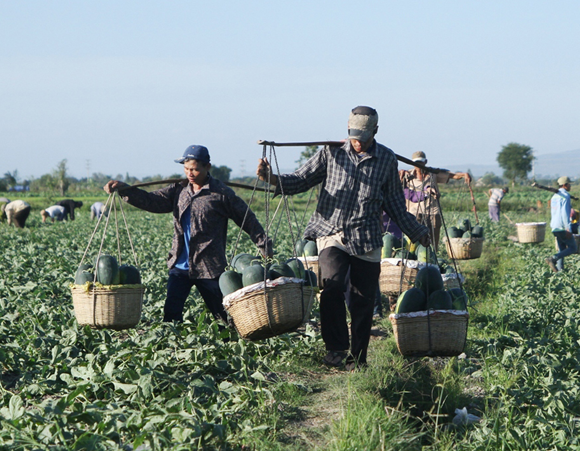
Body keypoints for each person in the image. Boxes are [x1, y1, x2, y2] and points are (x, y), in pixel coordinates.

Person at [257, 106, 430, 370]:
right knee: (333, 285)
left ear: (375, 131)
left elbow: (396, 205)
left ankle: (357, 358)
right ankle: (336, 348)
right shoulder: (331, 152)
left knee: (362, 301)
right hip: (332, 233)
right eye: (353, 135)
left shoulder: (385, 160)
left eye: (363, 135)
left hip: (367, 238)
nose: (357, 141)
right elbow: (300, 180)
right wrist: (271, 178)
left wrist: (418, 233)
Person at [105, 145, 272, 325]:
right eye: (186, 169)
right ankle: (171, 347)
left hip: (209, 266)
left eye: (194, 169)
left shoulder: (221, 194)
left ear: (207, 167)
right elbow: (152, 201)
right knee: (171, 314)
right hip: (180, 266)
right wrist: (125, 190)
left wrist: (263, 244)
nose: (189, 173)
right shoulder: (179, 190)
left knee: (222, 316)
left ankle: (230, 345)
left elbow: (247, 219)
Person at [400, 151, 444, 247]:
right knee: (414, 245)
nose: (418, 165)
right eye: (416, 162)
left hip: (432, 212)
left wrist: (463, 175)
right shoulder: (407, 175)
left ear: (425, 162)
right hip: (414, 213)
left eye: (421, 162)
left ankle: (432, 258)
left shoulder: (433, 174)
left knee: (433, 244)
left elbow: (450, 174)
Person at [545, 177, 577, 273]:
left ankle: (559, 271)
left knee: (562, 248)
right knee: (573, 248)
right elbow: (565, 213)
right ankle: (553, 259)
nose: (570, 186)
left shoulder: (554, 196)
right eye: (569, 184)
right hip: (562, 226)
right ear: (564, 185)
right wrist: (568, 228)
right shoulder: (565, 196)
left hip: (554, 226)